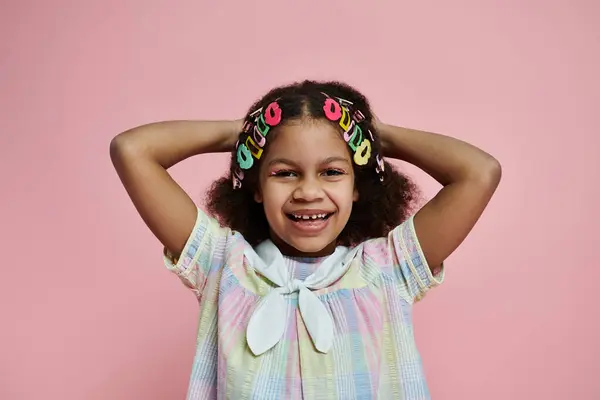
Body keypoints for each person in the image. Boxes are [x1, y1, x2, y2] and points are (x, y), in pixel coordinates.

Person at [110, 80, 501, 399]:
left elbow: (479, 172)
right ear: (257, 186)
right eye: (285, 173)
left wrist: (376, 137)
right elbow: (132, 150)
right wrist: (247, 132)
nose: (308, 191)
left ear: (358, 185)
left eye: (332, 172)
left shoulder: (387, 270)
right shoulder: (223, 265)